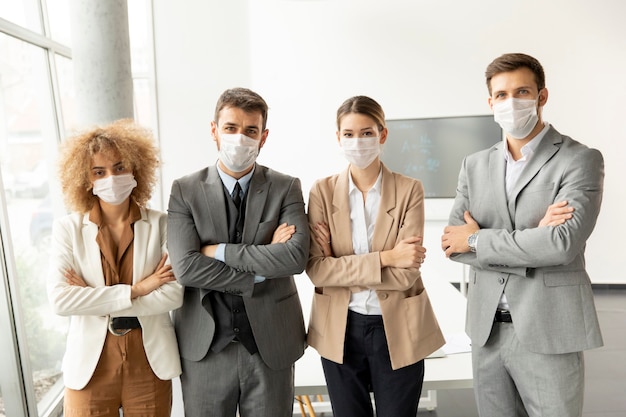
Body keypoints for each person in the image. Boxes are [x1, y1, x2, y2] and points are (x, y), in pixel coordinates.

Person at [441, 53, 604, 417]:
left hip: (548, 328)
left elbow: (561, 245)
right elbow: (453, 243)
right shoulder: (475, 163)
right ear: (490, 102)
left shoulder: (579, 160)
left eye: (522, 91)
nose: (510, 102)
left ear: (541, 96)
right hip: (487, 333)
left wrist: (478, 239)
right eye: (501, 95)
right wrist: (532, 240)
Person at [167, 87, 310, 417]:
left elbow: (294, 258)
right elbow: (186, 267)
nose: (240, 138)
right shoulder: (184, 190)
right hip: (205, 345)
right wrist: (263, 261)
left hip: (270, 342)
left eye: (250, 130)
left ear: (264, 136)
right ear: (214, 130)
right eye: (230, 128)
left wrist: (217, 251)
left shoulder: (286, 186)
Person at [306, 95, 445, 417]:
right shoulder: (321, 192)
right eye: (349, 134)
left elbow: (406, 272)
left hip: (397, 324)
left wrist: (340, 265)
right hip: (340, 326)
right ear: (338, 138)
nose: (358, 142)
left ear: (382, 135)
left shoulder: (410, 189)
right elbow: (316, 270)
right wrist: (386, 258)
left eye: (367, 133)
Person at [47, 119, 183, 416]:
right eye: (100, 172)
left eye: (120, 167)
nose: (112, 177)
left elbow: (174, 295)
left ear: (136, 169)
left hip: (149, 361)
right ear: (86, 179)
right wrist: (137, 289)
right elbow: (61, 299)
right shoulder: (67, 229)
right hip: (90, 365)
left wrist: (94, 298)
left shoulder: (163, 223)